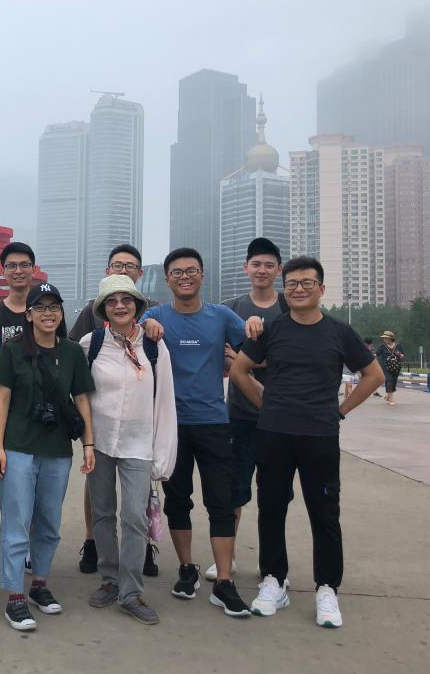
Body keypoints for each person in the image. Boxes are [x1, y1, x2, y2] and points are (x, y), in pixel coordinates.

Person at [230, 256, 383, 629]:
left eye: (307, 283)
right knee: (271, 508)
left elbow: (373, 375)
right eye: (292, 284)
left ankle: (327, 588)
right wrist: (266, 405)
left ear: (321, 289)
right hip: (274, 435)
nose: (299, 289)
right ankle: (273, 580)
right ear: (285, 290)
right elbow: (239, 370)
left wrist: (340, 411)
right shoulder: (272, 330)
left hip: (320, 436)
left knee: (325, 513)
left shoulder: (339, 332)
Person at [139, 248, 252, 617]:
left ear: (202, 275)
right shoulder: (156, 315)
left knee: (221, 501)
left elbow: (257, 352)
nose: (184, 277)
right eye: (177, 272)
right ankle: (186, 568)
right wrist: (145, 328)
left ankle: (224, 582)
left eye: (191, 271)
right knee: (178, 500)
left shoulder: (221, 316)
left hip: (214, 422)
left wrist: (249, 338)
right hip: (172, 425)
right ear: (167, 279)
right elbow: (129, 340)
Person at [0, 282, 95, 631]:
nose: (48, 313)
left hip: (57, 451)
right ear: (29, 314)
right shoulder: (12, 351)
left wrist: (89, 444)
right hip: (18, 448)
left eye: (54, 307)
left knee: (49, 522)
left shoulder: (72, 353)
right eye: (41, 307)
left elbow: (82, 398)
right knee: (17, 522)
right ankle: (14, 596)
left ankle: (39, 584)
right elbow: (2, 400)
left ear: (61, 313)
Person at [80, 274, 177, 626]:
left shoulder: (154, 346)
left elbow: (164, 399)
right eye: (111, 301)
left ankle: (131, 592)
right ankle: (110, 578)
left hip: (139, 443)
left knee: (135, 516)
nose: (119, 306)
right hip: (100, 442)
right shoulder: (91, 343)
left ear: (137, 305)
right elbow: (78, 392)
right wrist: (85, 439)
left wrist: (163, 452)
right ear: (103, 309)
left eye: (126, 300)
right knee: (103, 513)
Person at [68, 243, 161, 577]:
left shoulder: (154, 325)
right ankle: (96, 548)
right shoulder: (90, 330)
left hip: (139, 437)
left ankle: (139, 558)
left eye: (129, 266)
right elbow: (72, 365)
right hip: (101, 436)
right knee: (100, 501)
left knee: (136, 507)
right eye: (117, 265)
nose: (123, 270)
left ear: (139, 274)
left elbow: (163, 388)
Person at [210, 237, 289, 582]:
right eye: (256, 264)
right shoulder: (231, 309)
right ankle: (227, 559)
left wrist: (245, 360)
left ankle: (272, 564)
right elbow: (220, 356)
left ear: (279, 270)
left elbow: (290, 356)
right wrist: (252, 359)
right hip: (239, 417)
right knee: (233, 493)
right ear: (246, 268)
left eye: (269, 265)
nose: (262, 270)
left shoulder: (289, 307)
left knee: (275, 496)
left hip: (281, 420)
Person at [0, 242, 37, 344]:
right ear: (3, 272)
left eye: (24, 265)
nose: (18, 271)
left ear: (34, 270)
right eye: (12, 266)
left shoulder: (45, 311)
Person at [376, 331, 405, 405]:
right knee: (389, 380)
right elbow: (377, 354)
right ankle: (391, 398)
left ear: (390, 338)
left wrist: (399, 355)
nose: (384, 339)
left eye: (385, 338)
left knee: (394, 381)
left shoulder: (398, 346)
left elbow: (402, 356)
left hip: (396, 366)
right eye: (383, 338)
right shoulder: (382, 346)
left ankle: (388, 395)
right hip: (385, 366)